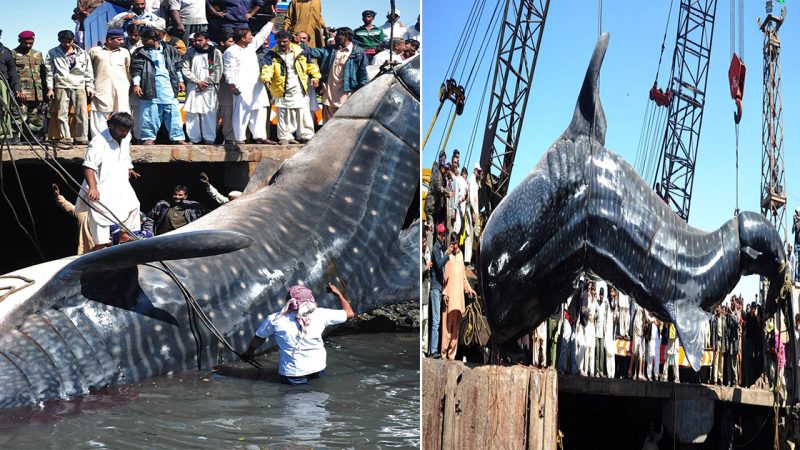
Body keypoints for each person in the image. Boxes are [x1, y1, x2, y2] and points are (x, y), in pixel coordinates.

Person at [240, 283, 354, 385]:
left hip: (292, 373)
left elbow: (259, 338)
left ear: (289, 301)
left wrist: (249, 353)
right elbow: (349, 313)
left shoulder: (275, 319)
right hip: (317, 368)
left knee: (294, 403)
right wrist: (338, 294)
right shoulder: (321, 314)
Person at [74, 112, 141, 252]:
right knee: (100, 218)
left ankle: (124, 235)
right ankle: (98, 247)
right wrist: (93, 188)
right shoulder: (98, 142)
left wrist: (130, 168)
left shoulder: (126, 136)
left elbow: (124, 154)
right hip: (101, 185)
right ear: (111, 126)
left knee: (133, 206)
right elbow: (88, 166)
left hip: (120, 181)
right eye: (121, 130)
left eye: (127, 130)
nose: (124, 133)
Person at [260, 30, 320, 145]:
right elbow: (267, 68)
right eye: (279, 42)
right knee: (283, 113)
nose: (282, 44)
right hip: (281, 87)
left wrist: (315, 77)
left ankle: (306, 136)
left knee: (303, 112)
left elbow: (311, 65)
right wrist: (266, 79)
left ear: (289, 41)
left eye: (284, 42)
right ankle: (285, 137)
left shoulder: (301, 51)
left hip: (298, 86)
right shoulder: (271, 54)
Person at [223, 19, 276, 144]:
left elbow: (262, 35)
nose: (252, 37)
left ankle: (260, 136)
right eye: (249, 36)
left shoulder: (251, 47)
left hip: (256, 85)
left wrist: (272, 20)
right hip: (241, 85)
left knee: (260, 110)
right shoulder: (231, 51)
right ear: (242, 38)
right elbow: (228, 69)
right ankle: (240, 138)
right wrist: (231, 84)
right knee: (241, 111)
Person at [131, 28, 186, 145]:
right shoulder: (139, 52)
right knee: (149, 114)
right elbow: (136, 69)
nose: (143, 42)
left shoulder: (170, 50)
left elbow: (178, 66)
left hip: (168, 87)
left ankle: (178, 138)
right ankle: (149, 138)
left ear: (155, 39)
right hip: (149, 86)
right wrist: (136, 84)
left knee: (173, 113)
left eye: (146, 40)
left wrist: (180, 81)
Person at [302, 27, 368, 121]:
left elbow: (363, 72)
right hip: (330, 92)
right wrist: (301, 43)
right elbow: (312, 52)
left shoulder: (358, 52)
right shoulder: (331, 50)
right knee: (328, 122)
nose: (335, 37)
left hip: (347, 91)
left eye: (338, 35)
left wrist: (361, 89)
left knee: (344, 121)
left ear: (346, 36)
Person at [45, 30, 94, 145]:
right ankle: (65, 137)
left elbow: (88, 71)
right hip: (61, 85)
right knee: (62, 113)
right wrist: (50, 88)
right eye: (64, 42)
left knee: (82, 113)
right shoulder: (53, 53)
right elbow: (49, 72)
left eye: (69, 41)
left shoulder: (82, 53)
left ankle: (82, 137)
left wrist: (90, 87)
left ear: (73, 40)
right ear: (59, 41)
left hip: (79, 85)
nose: (67, 44)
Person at [88, 29, 131, 139]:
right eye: (119, 39)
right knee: (99, 116)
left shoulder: (125, 52)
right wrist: (90, 87)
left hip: (121, 89)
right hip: (101, 89)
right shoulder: (95, 51)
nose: (122, 42)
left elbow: (128, 71)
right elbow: (88, 70)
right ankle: (100, 142)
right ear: (110, 40)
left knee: (122, 116)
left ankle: (122, 142)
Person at [181, 31, 223, 144]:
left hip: (209, 87)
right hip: (193, 86)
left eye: (200, 40)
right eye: (195, 40)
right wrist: (197, 81)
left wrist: (206, 82)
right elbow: (185, 69)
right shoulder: (190, 52)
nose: (197, 42)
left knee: (209, 112)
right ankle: (194, 139)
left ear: (207, 40)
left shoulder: (215, 52)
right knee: (192, 112)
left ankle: (209, 139)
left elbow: (218, 71)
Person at [441, 232, 476, 360]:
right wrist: (444, 292)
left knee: (456, 327)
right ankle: (443, 353)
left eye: (455, 244)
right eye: (452, 243)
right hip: (449, 295)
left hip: (458, 296)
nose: (454, 246)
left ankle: (452, 353)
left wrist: (469, 289)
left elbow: (463, 278)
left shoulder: (461, 256)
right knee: (446, 327)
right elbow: (443, 276)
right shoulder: (447, 256)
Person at [12, 31, 46, 140]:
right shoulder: (13, 54)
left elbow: (43, 73)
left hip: (37, 92)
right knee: (18, 116)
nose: (28, 45)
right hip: (21, 92)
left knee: (36, 117)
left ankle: (34, 138)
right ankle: (15, 138)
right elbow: (11, 74)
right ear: (19, 41)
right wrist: (17, 90)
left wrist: (45, 92)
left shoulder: (38, 54)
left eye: (31, 43)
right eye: (26, 43)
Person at [52, 183, 94, 254]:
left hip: (103, 249)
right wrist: (58, 196)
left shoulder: (103, 213)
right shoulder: (82, 213)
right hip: (87, 250)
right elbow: (68, 207)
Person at [428, 223, 449, 358]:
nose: (443, 236)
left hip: (439, 287)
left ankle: (434, 349)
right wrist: (447, 255)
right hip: (435, 287)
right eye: (442, 234)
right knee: (436, 320)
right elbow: (439, 264)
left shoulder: (440, 248)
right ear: (438, 235)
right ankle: (433, 350)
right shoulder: (436, 248)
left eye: (444, 234)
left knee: (437, 319)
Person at [216, 31, 236, 144]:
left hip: (227, 91)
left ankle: (229, 138)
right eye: (230, 42)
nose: (233, 44)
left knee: (228, 116)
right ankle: (210, 138)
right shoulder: (214, 53)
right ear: (222, 42)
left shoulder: (235, 54)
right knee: (211, 117)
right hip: (213, 91)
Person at [465, 162, 480, 267]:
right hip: (471, 212)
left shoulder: (476, 180)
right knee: (469, 236)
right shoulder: (472, 179)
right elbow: (470, 198)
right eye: (478, 171)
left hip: (474, 212)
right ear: (475, 170)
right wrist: (473, 213)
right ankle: (467, 261)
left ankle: (469, 260)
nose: (479, 172)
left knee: (472, 236)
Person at [422, 230, 432, 356]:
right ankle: (422, 348)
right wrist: (426, 267)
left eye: (425, 241)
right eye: (423, 241)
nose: (424, 243)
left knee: (427, 319)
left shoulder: (427, 250)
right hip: (423, 289)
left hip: (428, 287)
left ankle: (424, 348)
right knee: (424, 319)